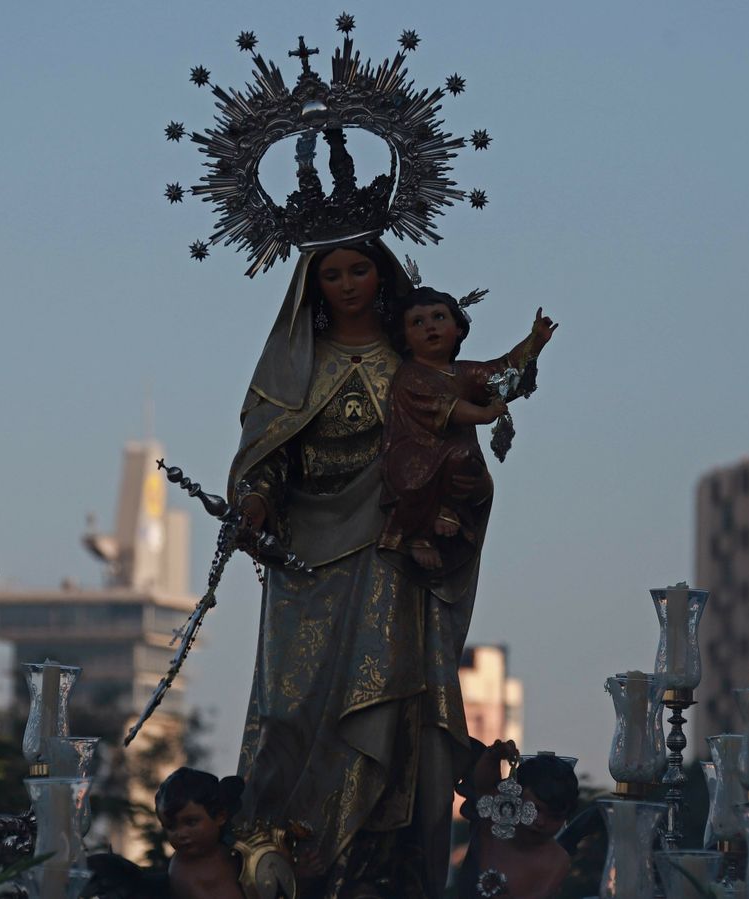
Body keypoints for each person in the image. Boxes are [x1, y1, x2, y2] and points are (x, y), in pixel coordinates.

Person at [228, 240, 488, 898]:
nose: (346, 284)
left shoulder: (412, 359)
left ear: (383, 274)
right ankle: (285, 859)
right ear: (312, 284)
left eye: (359, 269)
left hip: (388, 547)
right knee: (293, 711)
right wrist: (255, 499)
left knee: (389, 705)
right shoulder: (292, 363)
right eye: (331, 273)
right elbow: (266, 452)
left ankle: (376, 865)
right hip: (303, 560)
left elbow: (456, 435)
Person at [379, 288, 557, 570]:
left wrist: (534, 341)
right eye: (418, 322)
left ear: (458, 329)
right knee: (456, 457)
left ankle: (450, 510)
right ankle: (419, 536)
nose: (430, 327)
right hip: (414, 459)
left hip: (456, 459)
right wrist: (484, 414)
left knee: (468, 461)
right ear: (405, 338)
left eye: (439, 317)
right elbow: (445, 407)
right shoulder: (411, 375)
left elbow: (502, 371)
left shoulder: (461, 372)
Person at [457, 742, 579, 899]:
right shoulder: (494, 822)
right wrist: (494, 754)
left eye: (554, 816)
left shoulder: (556, 860)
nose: (540, 822)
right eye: (534, 809)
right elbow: (484, 784)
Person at [155, 768, 248, 899]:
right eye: (171, 827)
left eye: (191, 822)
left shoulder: (233, 846)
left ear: (220, 817)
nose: (181, 834)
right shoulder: (183, 872)